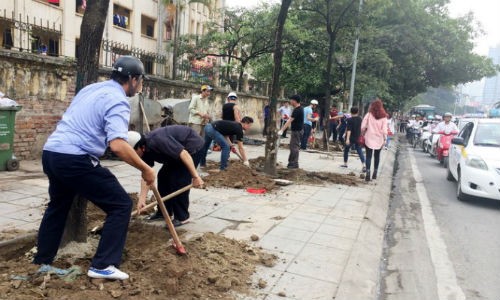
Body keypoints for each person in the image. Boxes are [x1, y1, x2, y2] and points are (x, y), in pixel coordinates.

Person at [33, 56, 156, 280]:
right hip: (75, 158)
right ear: (132, 79)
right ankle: (103, 264)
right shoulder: (118, 100)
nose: (139, 87)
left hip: (52, 153)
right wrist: (145, 168)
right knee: (120, 205)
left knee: (58, 206)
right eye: (140, 82)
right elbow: (118, 145)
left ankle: (43, 259)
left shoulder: (90, 89)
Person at [128, 125, 205, 227]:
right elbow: (146, 176)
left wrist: (195, 177)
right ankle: (164, 212)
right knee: (163, 177)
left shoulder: (157, 141)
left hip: (192, 147)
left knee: (179, 180)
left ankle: (182, 217)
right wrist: (142, 200)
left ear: (140, 147)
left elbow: (184, 154)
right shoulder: (143, 151)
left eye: (133, 152)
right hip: (175, 154)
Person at [361, 98, 388, 181]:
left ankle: (368, 172)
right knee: (377, 156)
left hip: (369, 137)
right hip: (379, 139)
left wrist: (363, 133)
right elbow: (384, 130)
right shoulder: (384, 116)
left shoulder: (369, 114)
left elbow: (363, 127)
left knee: (368, 156)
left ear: (372, 106)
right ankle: (375, 172)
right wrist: (385, 139)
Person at [278, 95, 304, 169]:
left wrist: (282, 130)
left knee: (294, 147)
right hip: (297, 130)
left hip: (297, 131)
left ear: (295, 101)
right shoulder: (299, 109)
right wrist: (287, 117)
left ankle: (294, 164)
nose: (290, 101)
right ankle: (291, 163)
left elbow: (289, 121)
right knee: (293, 146)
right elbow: (292, 118)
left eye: (291, 100)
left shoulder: (297, 110)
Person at [341, 106, 366, 171]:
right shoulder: (360, 119)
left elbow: (349, 130)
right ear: (357, 112)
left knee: (346, 150)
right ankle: (363, 165)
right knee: (359, 151)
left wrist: (347, 139)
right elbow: (362, 128)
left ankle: (345, 163)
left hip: (351, 138)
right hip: (358, 137)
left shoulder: (349, 120)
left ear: (351, 112)